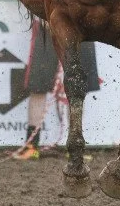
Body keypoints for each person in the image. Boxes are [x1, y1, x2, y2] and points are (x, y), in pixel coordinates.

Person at [14, 19, 100, 160]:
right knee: (38, 87)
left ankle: (75, 148)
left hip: (81, 29)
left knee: (77, 90)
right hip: (49, 27)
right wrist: (43, 14)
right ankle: (31, 147)